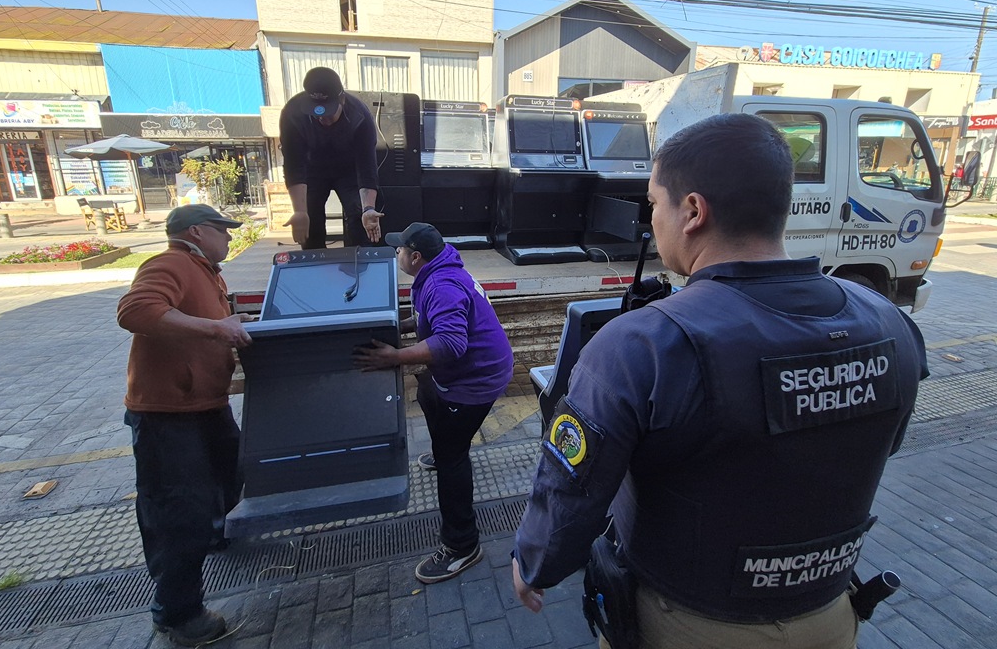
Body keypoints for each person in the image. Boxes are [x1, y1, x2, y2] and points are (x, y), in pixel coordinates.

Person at [511, 113, 928, 648]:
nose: (650, 218)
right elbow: (879, 444)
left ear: (692, 211)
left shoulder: (641, 345)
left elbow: (571, 490)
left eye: (653, 202)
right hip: (831, 617)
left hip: (687, 624)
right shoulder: (889, 322)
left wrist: (534, 563)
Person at [117, 204, 254, 647]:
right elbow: (135, 310)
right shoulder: (170, 263)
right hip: (167, 415)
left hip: (205, 405)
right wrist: (214, 330)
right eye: (222, 230)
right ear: (196, 232)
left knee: (231, 474)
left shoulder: (207, 271)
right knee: (178, 511)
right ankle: (177, 614)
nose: (229, 237)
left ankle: (212, 535)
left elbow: (210, 324)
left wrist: (230, 326)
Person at [354, 222, 514, 583]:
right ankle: (446, 449)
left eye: (398, 249)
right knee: (427, 391)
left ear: (415, 257)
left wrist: (395, 357)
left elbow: (451, 343)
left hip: (476, 380)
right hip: (468, 371)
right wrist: (398, 326)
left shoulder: (441, 285)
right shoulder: (439, 270)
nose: (396, 254)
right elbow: (430, 318)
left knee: (452, 459)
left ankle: (462, 545)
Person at [279, 66, 384, 249]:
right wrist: (300, 211)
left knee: (359, 217)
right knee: (310, 219)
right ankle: (315, 262)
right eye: (316, 113)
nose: (322, 118)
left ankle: (358, 259)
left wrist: (368, 208)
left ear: (341, 99)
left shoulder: (360, 115)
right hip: (312, 169)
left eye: (328, 113)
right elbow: (294, 165)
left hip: (349, 170)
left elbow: (367, 166)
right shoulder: (293, 113)